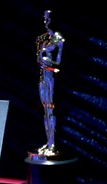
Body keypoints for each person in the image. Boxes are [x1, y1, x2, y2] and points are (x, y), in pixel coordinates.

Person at [36, 10, 65, 156]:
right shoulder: (43, 38)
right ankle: (48, 142)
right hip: (43, 77)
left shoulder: (59, 39)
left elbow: (58, 62)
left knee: (51, 111)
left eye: (48, 19)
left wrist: (48, 62)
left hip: (51, 78)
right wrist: (43, 61)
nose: (46, 22)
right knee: (45, 111)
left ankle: (53, 143)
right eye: (45, 19)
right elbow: (38, 59)